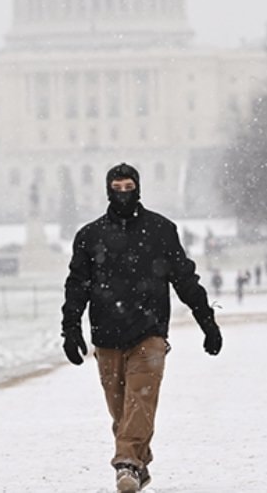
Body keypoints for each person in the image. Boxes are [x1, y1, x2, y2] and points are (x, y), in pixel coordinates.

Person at [62, 163, 222, 493]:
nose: (123, 194)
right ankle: (139, 459)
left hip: (149, 331)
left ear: (138, 188)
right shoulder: (90, 236)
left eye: (128, 187)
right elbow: (77, 285)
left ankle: (127, 464)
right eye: (117, 188)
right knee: (122, 409)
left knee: (140, 400)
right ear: (108, 191)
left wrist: (207, 321)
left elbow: (184, 279)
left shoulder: (160, 230)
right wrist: (71, 328)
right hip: (107, 333)